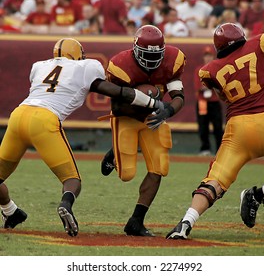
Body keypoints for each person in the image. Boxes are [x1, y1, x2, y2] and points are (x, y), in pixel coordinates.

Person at [0, 37, 167, 237]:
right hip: (44, 120)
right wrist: (152, 103)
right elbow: (119, 92)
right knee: (72, 180)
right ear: (77, 54)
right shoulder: (86, 67)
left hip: (18, 116)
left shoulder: (39, 67)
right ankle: (65, 205)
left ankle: (11, 211)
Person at [164, 23, 264, 240]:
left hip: (238, 127)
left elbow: (223, 96)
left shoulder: (209, 70)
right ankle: (261, 194)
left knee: (216, 180)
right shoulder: (260, 42)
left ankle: (186, 222)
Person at [101, 25, 186, 236]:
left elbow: (178, 97)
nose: (151, 59)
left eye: (156, 55)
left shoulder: (173, 59)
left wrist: (168, 111)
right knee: (126, 174)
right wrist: (147, 99)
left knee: (159, 168)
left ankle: (136, 221)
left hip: (154, 119)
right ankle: (115, 152)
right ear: (136, 50)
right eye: (147, 54)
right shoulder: (120, 65)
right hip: (127, 117)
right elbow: (118, 106)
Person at [194, 45, 223, 156]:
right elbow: (199, 87)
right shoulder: (199, 69)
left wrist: (208, 86)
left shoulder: (217, 68)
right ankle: (205, 148)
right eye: (206, 55)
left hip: (215, 101)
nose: (208, 58)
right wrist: (211, 85)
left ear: (213, 56)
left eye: (210, 55)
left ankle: (219, 149)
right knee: (203, 125)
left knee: (218, 126)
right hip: (202, 102)